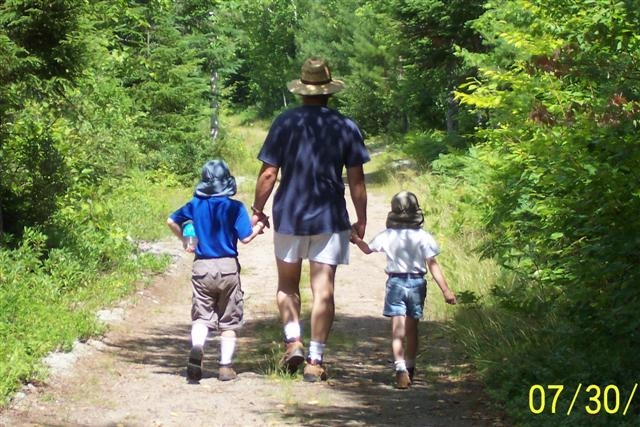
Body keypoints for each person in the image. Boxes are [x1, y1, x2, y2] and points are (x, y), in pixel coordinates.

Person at [251, 57, 370, 382]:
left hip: (290, 213)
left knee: (287, 285)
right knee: (324, 290)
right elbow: (357, 181)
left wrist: (257, 210)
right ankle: (315, 360)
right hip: (330, 217)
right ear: (329, 91)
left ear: (303, 90)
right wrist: (361, 219)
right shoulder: (346, 127)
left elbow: (268, 174)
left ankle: (293, 341)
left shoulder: (285, 123)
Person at [167, 159, 266, 383]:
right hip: (228, 267)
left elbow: (171, 220)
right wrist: (259, 226)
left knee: (202, 316)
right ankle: (225, 367)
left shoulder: (194, 205)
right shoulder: (235, 207)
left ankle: (198, 348)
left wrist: (184, 239)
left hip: (202, 266)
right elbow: (246, 236)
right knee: (229, 320)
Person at [350, 191, 456, 389]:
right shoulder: (423, 236)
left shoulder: (388, 235)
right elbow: (433, 264)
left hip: (396, 283)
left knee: (397, 330)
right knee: (412, 329)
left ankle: (400, 369)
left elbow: (367, 249)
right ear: (417, 212)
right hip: (417, 283)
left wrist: (355, 238)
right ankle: (411, 367)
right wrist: (446, 291)